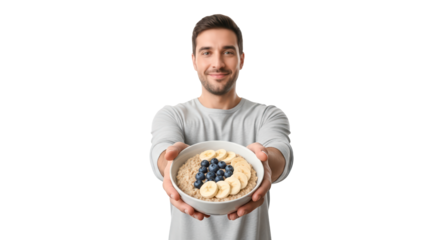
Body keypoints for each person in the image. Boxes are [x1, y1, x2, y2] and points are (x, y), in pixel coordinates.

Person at [148, 13, 295, 240]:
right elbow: (161, 148)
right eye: (207, 52)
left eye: (228, 52)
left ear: (242, 60)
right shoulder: (171, 114)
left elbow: (280, 151)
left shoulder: (268, 114)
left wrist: (265, 164)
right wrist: (169, 166)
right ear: (193, 61)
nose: (217, 63)